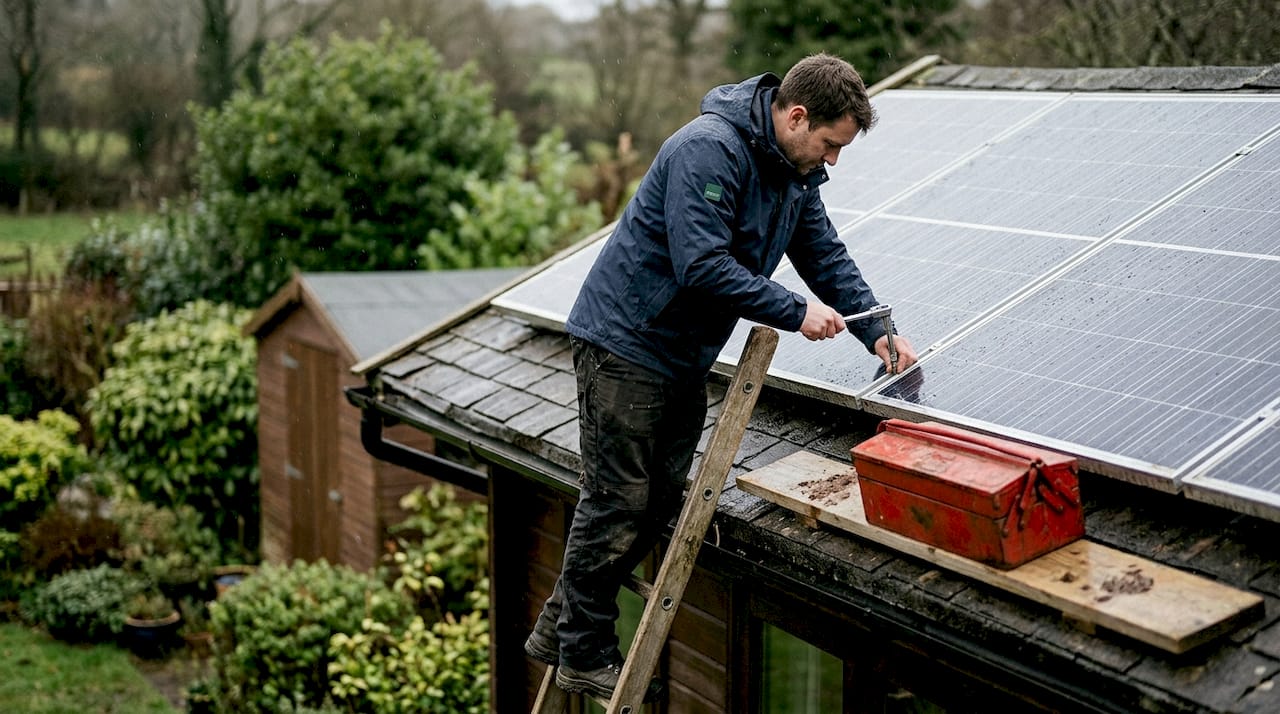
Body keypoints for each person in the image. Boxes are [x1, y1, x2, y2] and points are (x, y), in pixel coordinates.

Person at [524, 52, 919, 700]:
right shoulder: (709, 152)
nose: (833, 162)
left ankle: (558, 627)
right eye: (830, 145)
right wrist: (795, 311)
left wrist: (875, 326)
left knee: (657, 501)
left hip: (680, 354)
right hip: (625, 343)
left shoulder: (795, 175)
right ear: (796, 116)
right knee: (618, 497)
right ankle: (584, 651)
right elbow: (700, 265)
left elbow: (824, 254)